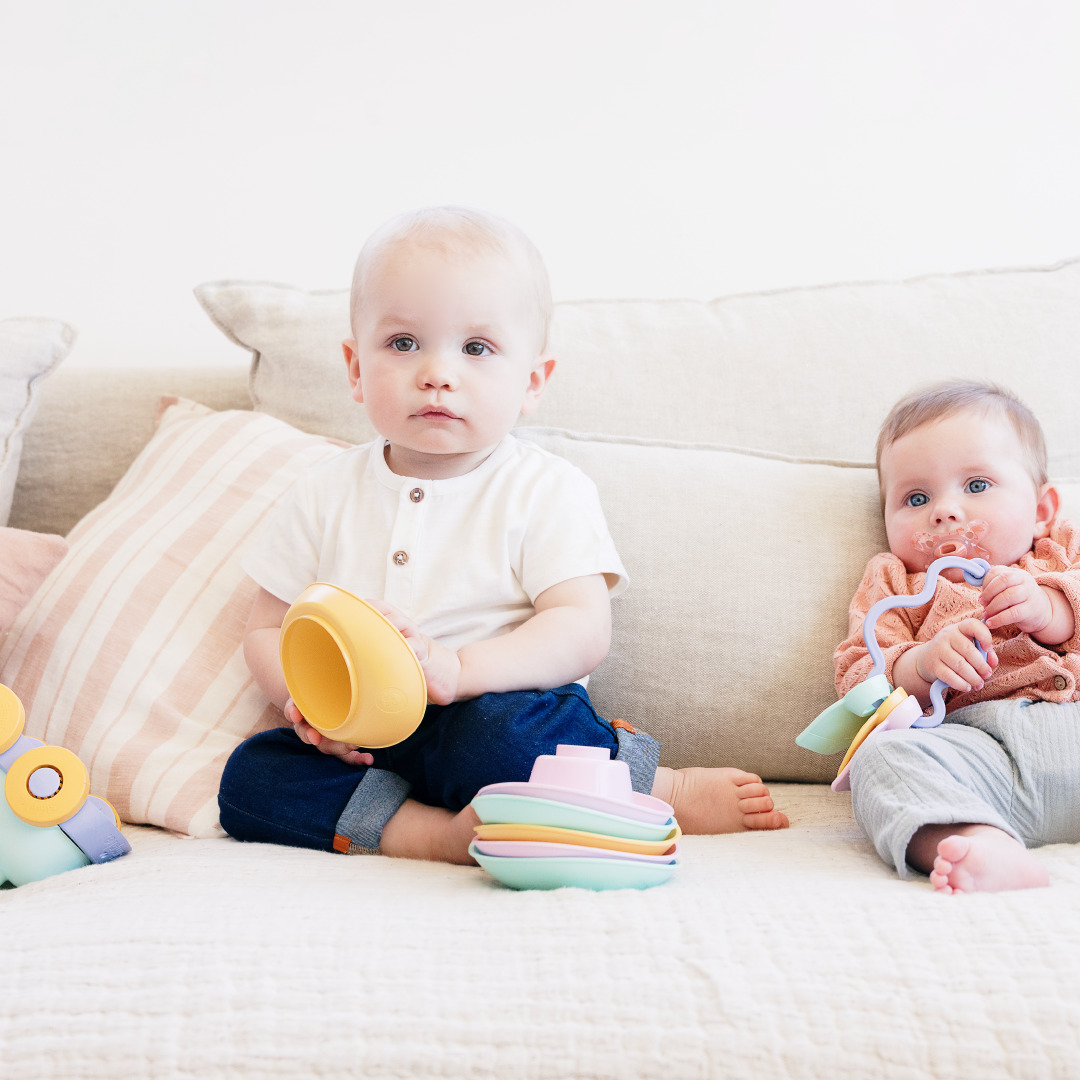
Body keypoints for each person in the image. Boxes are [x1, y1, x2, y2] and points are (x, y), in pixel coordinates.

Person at [218, 206, 789, 864]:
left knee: (506, 738)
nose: (437, 372)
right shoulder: (322, 492)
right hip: (364, 732)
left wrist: (461, 671)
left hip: (489, 708)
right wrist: (308, 706)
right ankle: (426, 833)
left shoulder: (545, 490)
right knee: (250, 778)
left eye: (476, 348)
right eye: (403, 343)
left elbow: (581, 628)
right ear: (354, 367)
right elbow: (268, 628)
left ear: (532, 382)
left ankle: (649, 785)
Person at [836, 379, 1080, 893]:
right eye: (916, 497)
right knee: (879, 763)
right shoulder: (893, 583)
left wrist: (1052, 608)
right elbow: (858, 674)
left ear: (1041, 511)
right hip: (978, 756)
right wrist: (919, 666)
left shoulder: (1061, 552)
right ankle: (977, 840)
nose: (944, 511)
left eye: (976, 486)